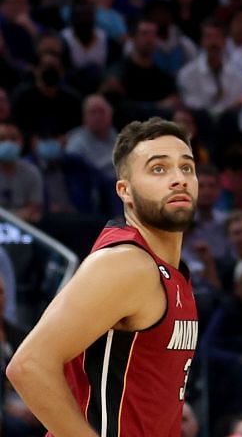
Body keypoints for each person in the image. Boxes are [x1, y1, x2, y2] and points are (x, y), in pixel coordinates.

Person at [4, 119, 200, 437]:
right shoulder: (126, 263)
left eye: (187, 168)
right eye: (158, 169)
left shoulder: (170, 272)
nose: (178, 179)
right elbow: (29, 366)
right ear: (125, 191)